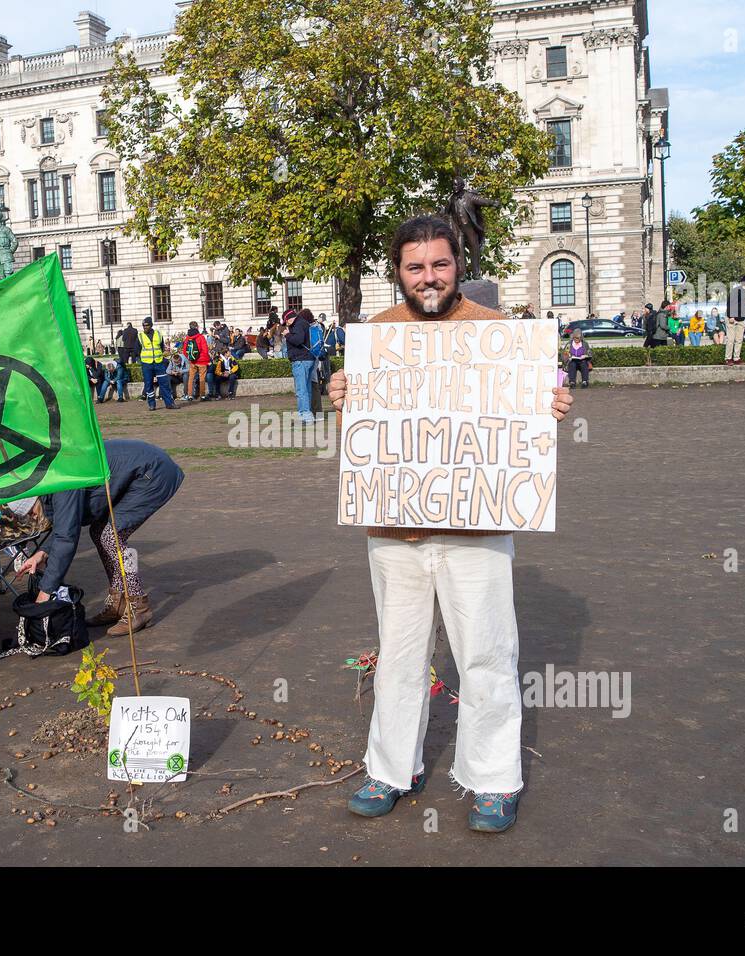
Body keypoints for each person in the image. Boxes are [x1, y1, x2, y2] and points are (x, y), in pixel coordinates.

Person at [326, 214, 574, 833]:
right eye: (416, 266)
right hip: (393, 530)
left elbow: (520, 427)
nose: (429, 277)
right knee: (400, 656)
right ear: (398, 273)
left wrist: (547, 409)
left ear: (458, 265)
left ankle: (492, 780)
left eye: (440, 264)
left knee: (487, 653)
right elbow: (370, 439)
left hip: (479, 528)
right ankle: (390, 768)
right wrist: (341, 400)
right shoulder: (376, 336)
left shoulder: (499, 334)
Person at [16, 439, 184, 636]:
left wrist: (45, 592)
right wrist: (41, 554)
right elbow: (66, 526)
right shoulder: (51, 484)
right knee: (98, 532)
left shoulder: (62, 484)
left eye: (31, 512)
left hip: (153, 472)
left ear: (37, 497)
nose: (33, 517)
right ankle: (118, 601)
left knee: (112, 535)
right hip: (139, 469)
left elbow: (67, 537)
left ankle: (138, 606)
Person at [137, 316, 177, 411]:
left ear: (151, 325)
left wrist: (163, 358)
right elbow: (137, 350)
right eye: (143, 325)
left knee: (164, 383)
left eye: (146, 325)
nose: (145, 327)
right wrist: (141, 361)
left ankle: (170, 403)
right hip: (147, 364)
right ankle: (151, 404)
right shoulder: (140, 336)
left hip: (159, 363)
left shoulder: (158, 334)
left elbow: (162, 347)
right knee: (148, 384)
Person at [284, 306, 315, 423]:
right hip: (308, 359)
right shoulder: (304, 323)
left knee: (301, 389)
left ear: (288, 319)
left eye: (286, 322)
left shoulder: (298, 324)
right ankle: (306, 413)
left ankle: (305, 414)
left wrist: (287, 334)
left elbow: (298, 340)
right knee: (306, 388)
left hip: (300, 360)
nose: (287, 325)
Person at [725, 274, 745, 365]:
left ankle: (736, 358)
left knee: (739, 339)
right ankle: (728, 358)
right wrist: (731, 316)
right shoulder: (736, 290)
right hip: (732, 318)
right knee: (731, 339)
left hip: (741, 318)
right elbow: (730, 304)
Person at [181, 322, 210, 401]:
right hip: (202, 361)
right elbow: (205, 350)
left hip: (192, 361)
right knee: (202, 378)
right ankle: (202, 396)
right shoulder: (201, 337)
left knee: (191, 378)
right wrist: (207, 359)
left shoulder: (187, 338)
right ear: (197, 327)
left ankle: (190, 395)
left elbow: (184, 351)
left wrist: (190, 358)